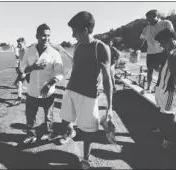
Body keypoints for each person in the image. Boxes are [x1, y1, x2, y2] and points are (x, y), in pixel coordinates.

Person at [58, 11, 115, 169]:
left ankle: (85, 159)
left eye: (74, 30)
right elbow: (77, 68)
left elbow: (107, 78)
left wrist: (110, 107)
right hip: (71, 90)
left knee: (89, 132)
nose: (72, 34)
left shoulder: (101, 48)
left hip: (88, 96)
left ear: (85, 29)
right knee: (65, 120)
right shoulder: (78, 46)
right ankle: (70, 131)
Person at [19, 23, 64, 144]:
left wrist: (50, 84)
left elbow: (60, 73)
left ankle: (47, 133)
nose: (46, 38)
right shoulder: (30, 51)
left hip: (48, 92)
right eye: (43, 35)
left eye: (48, 36)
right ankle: (30, 134)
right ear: (37, 36)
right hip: (32, 90)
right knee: (30, 115)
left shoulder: (54, 53)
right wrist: (33, 67)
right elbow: (22, 68)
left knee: (48, 116)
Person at [134, 9, 174, 94]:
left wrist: (171, 49)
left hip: (162, 51)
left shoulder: (165, 23)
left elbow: (172, 35)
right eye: (148, 19)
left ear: (157, 16)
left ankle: (162, 86)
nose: (149, 21)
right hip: (150, 52)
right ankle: (148, 88)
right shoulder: (146, 28)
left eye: (151, 19)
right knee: (150, 69)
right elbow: (142, 40)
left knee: (163, 69)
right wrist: (137, 48)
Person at [154, 28, 176, 148]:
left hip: (171, 90)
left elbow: (175, 70)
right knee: (164, 112)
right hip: (163, 88)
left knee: (170, 114)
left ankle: (170, 140)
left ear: (171, 40)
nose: (161, 46)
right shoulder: (172, 52)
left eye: (162, 43)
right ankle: (164, 134)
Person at [12, 37, 29, 105]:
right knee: (18, 84)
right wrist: (18, 69)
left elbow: (29, 62)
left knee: (32, 87)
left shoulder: (26, 51)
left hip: (28, 72)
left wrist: (25, 72)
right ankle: (19, 99)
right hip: (22, 71)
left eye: (20, 44)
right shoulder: (20, 50)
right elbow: (20, 61)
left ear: (24, 43)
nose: (18, 45)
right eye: (18, 44)